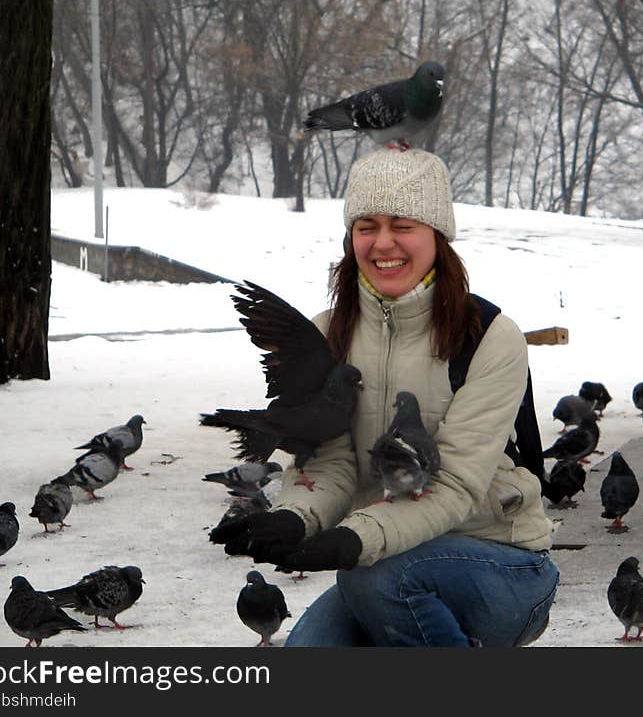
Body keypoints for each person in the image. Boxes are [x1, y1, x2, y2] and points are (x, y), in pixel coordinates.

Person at [236, 147, 558, 647]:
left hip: (500, 563)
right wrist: (296, 517)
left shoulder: (489, 338)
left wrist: (352, 538)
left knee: (375, 577)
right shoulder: (328, 336)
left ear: (437, 235)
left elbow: (452, 483)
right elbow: (328, 462)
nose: (383, 242)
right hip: (384, 559)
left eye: (402, 223)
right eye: (366, 225)